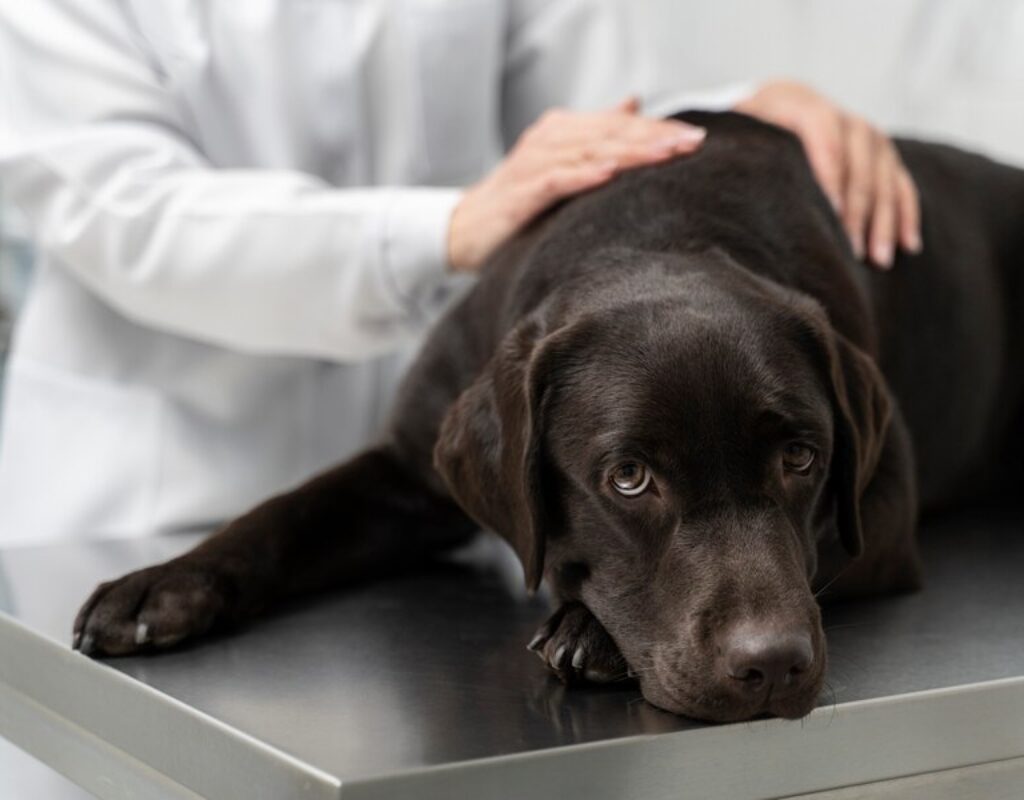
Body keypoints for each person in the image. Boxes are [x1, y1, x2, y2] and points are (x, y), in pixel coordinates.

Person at [0, 0, 919, 545]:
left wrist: (742, 111)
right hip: (145, 498)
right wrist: (446, 226)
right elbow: (120, 210)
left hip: (428, 515)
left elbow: (608, 114)